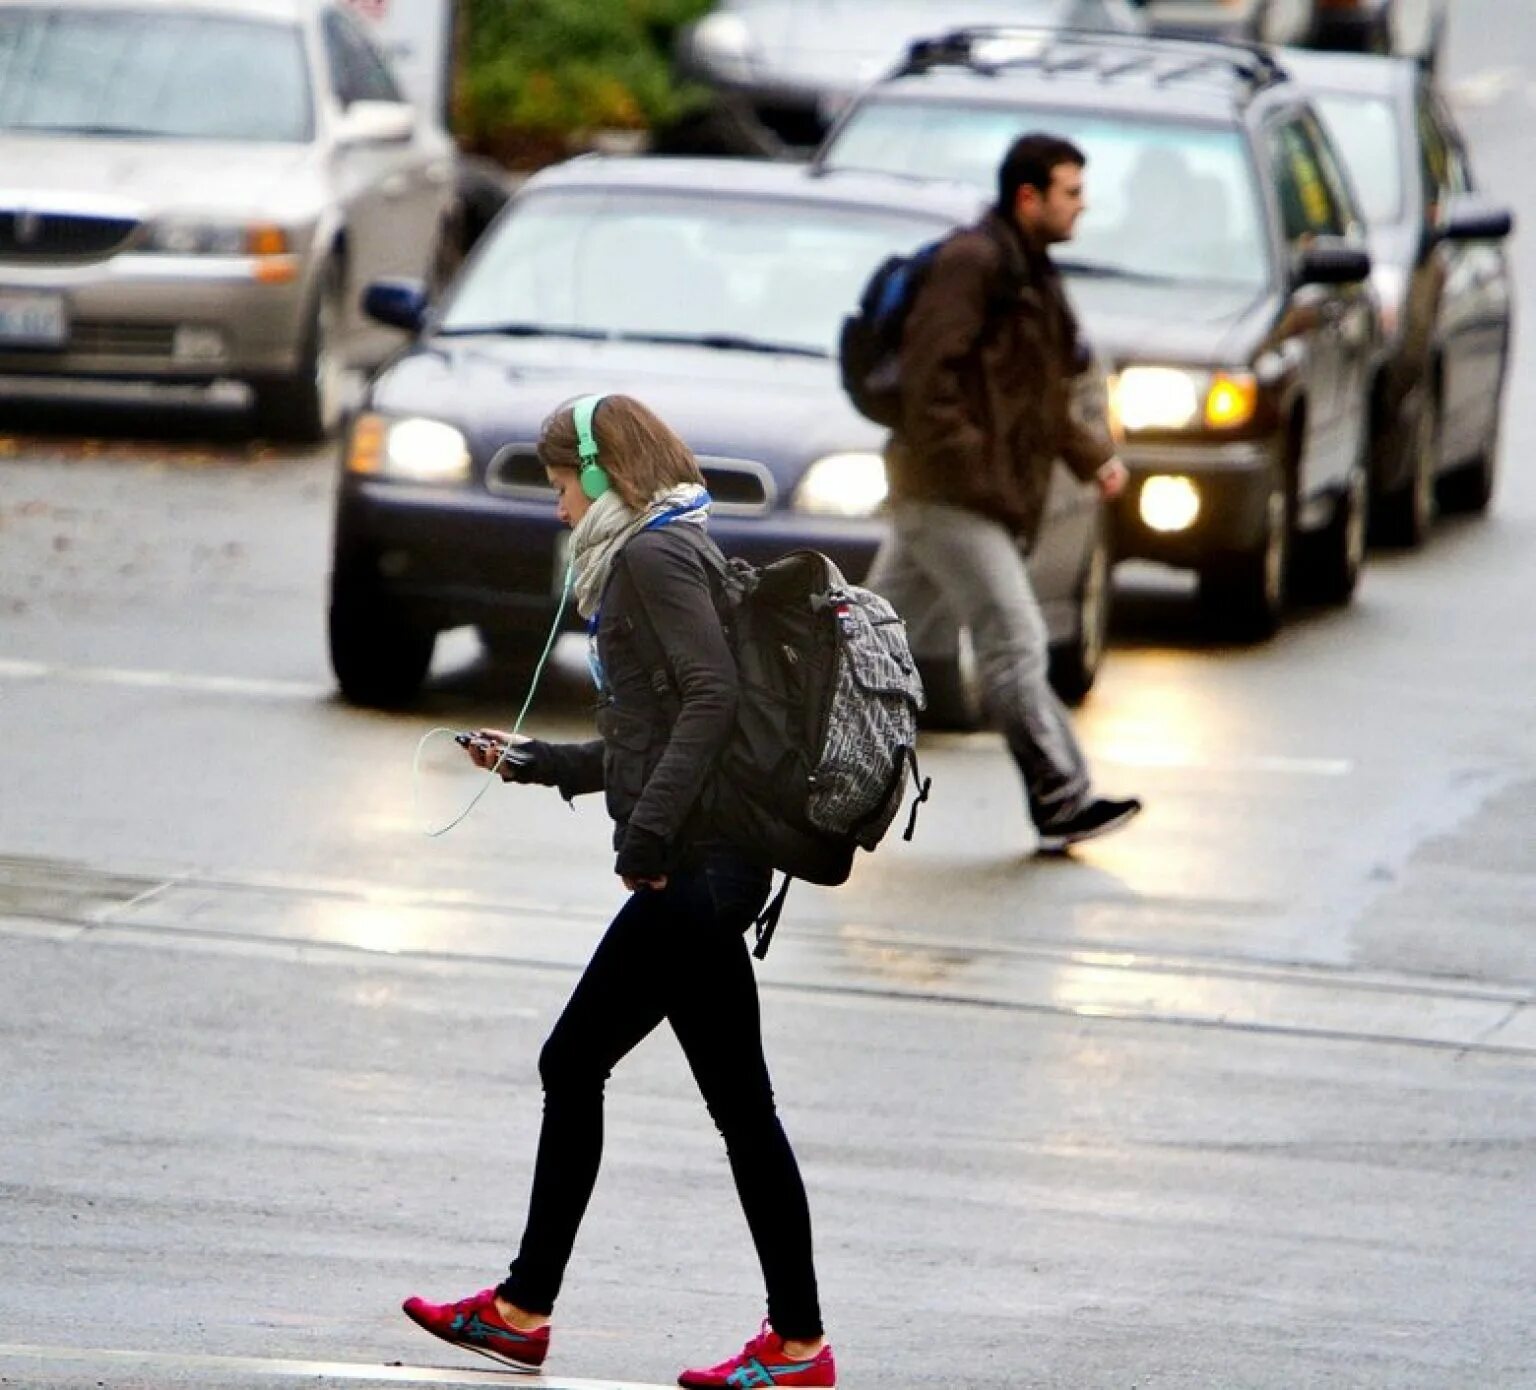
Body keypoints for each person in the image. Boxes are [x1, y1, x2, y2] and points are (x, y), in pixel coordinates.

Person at [400, 393, 837, 1390]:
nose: (558, 508)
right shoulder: (672, 545)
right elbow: (657, 730)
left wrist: (645, 836)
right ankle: (799, 1344)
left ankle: (522, 1309)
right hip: (715, 860)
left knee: (572, 1060)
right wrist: (537, 762)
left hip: (699, 865)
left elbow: (712, 697)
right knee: (742, 1107)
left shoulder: (648, 557)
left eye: (561, 483)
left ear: (602, 474)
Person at [868, 131, 1142, 852]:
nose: (1082, 207)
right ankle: (1061, 797)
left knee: (865, 648)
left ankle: (788, 771)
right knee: (1016, 643)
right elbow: (930, 384)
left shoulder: (1033, 276)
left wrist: (1092, 458)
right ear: (1029, 197)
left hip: (963, 494)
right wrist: (975, 471)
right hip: (953, 498)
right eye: (1071, 192)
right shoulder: (972, 265)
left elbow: (1041, 397)